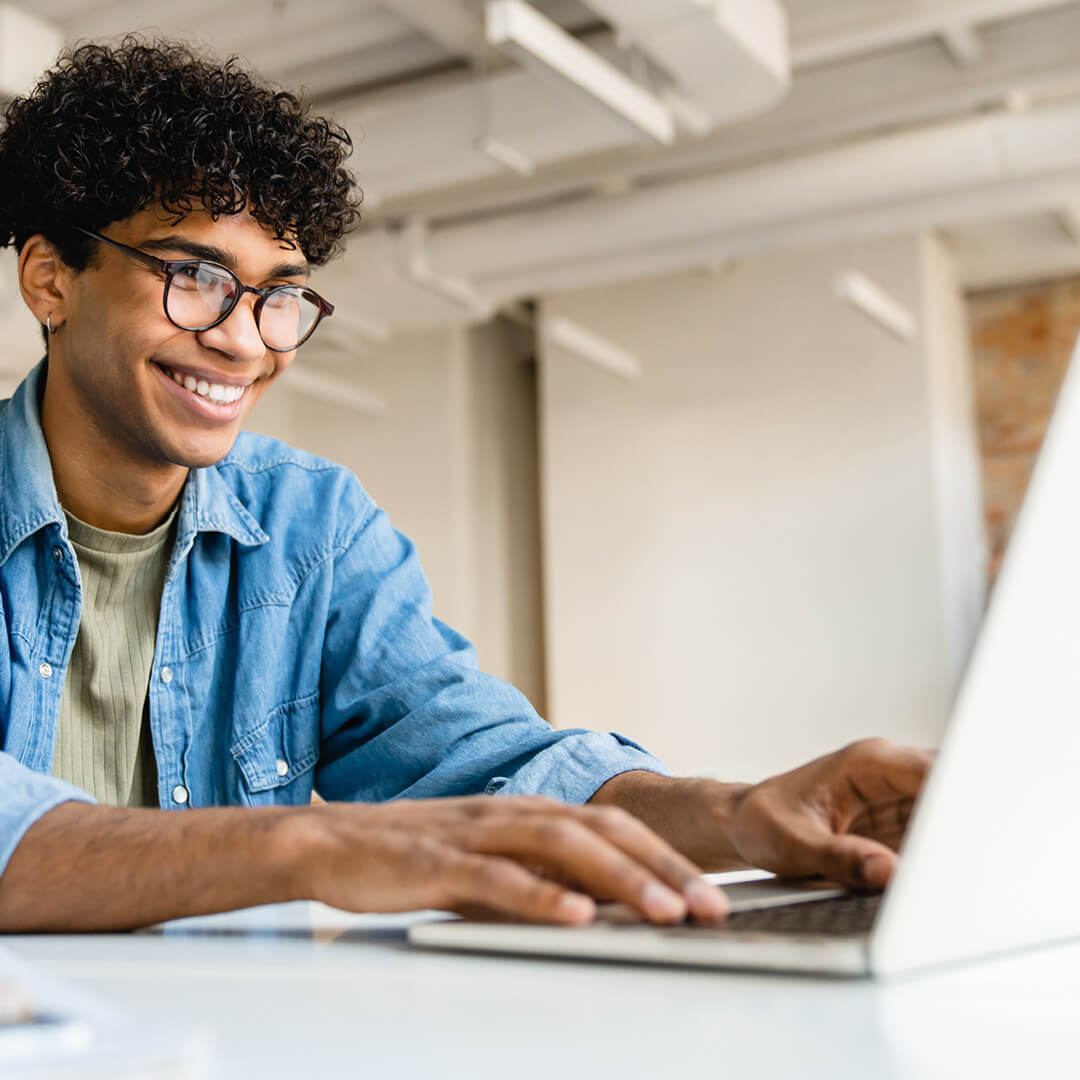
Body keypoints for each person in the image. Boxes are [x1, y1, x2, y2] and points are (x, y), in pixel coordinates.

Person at [0, 38, 930, 933]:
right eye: (194, 277)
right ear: (50, 280)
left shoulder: (311, 524)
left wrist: (740, 816)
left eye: (277, 295)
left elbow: (483, 764)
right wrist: (311, 844)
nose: (244, 340)